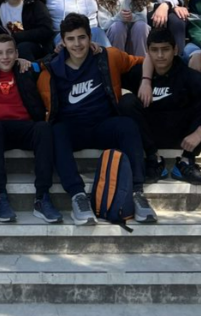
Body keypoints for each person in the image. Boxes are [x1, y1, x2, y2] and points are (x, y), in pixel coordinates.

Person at [41, 13, 155, 225]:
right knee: (56, 130)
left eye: (82, 37)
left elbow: (146, 59)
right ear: (62, 41)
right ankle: (78, 196)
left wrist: (146, 80)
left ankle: (137, 193)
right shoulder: (50, 69)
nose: (77, 44)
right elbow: (24, 69)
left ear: (90, 38)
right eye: (71, 39)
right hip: (73, 131)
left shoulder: (107, 56)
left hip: (103, 126)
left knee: (127, 125)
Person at [0, 33, 62, 224]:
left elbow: (48, 61)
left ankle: (42, 197)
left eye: (9, 52)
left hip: (26, 127)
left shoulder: (26, 69)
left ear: (16, 53)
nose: (4, 57)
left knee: (44, 128)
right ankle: (0, 195)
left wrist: (61, 47)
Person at [126, 27, 201, 187]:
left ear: (175, 50)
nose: (160, 55)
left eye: (165, 49)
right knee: (125, 101)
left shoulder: (186, 74)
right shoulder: (137, 73)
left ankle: (186, 162)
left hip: (183, 138)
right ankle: (153, 159)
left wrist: (200, 132)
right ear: (148, 52)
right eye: (154, 50)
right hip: (148, 136)